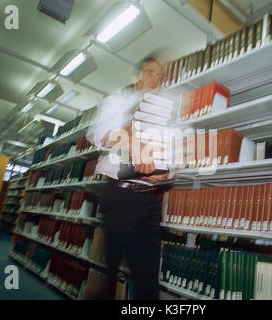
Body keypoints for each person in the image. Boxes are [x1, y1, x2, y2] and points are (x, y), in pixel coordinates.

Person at [86, 55, 171, 300]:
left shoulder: (162, 118)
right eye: (149, 72)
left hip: (149, 201)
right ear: (136, 77)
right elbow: (99, 136)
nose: (155, 79)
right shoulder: (116, 102)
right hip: (119, 195)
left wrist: (167, 173)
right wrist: (130, 139)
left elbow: (169, 157)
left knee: (147, 281)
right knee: (109, 274)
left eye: (159, 75)